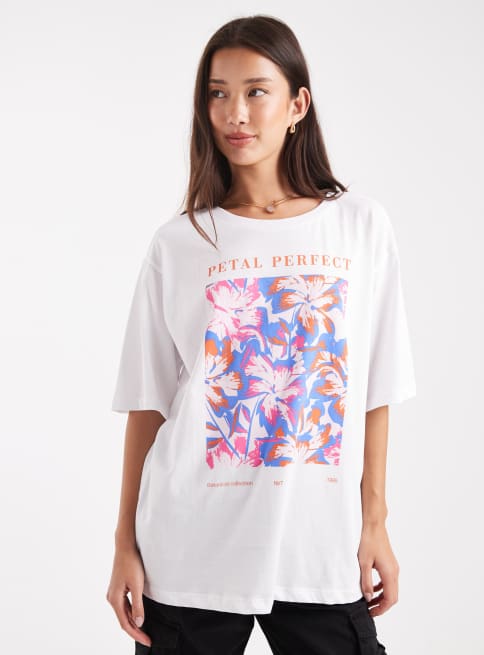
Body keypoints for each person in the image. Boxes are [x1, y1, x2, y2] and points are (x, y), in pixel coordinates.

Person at [106, 14, 416, 655]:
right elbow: (149, 403)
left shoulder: (359, 227)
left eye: (256, 91)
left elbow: (375, 386)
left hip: (317, 547)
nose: (235, 113)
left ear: (298, 105)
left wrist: (376, 521)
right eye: (218, 93)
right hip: (189, 548)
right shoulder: (180, 241)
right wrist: (123, 545)